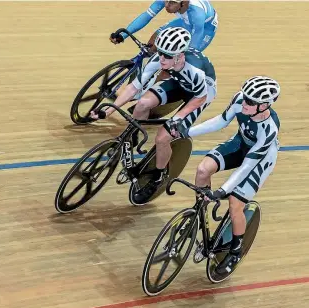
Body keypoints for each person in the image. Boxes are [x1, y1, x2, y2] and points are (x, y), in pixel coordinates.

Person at [91, 27, 217, 204]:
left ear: (179, 56)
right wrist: (109, 110)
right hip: (178, 82)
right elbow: (134, 87)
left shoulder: (195, 71)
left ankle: (158, 176)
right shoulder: (162, 58)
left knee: (162, 138)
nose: (161, 58)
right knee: (142, 103)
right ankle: (132, 135)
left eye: (167, 56)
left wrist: (177, 119)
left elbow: (200, 98)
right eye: (160, 53)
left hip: (200, 94)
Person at [187, 76, 281, 274]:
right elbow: (220, 121)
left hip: (259, 160)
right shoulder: (240, 99)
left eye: (251, 101)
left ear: (264, 105)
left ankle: (236, 250)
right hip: (240, 143)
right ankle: (199, 213)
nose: (244, 102)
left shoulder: (269, 129)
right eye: (245, 97)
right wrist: (188, 132)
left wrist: (222, 190)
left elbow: (247, 166)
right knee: (203, 169)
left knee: (234, 203)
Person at [110, 0, 219, 53]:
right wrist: (124, 35)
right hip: (185, 21)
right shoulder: (171, 2)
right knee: (155, 39)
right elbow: (147, 16)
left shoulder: (196, 13)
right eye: (166, 1)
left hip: (205, 28)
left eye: (171, 2)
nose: (166, 5)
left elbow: (195, 40)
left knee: (183, 59)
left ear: (183, 3)